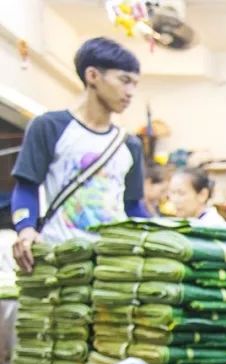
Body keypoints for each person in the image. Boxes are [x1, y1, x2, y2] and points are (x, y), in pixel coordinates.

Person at [11, 37, 145, 271]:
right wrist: (25, 228)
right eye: (124, 81)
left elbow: (133, 206)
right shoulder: (50, 127)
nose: (130, 92)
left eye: (135, 84)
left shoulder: (130, 144)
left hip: (112, 264)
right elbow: (26, 186)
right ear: (92, 76)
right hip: (60, 257)